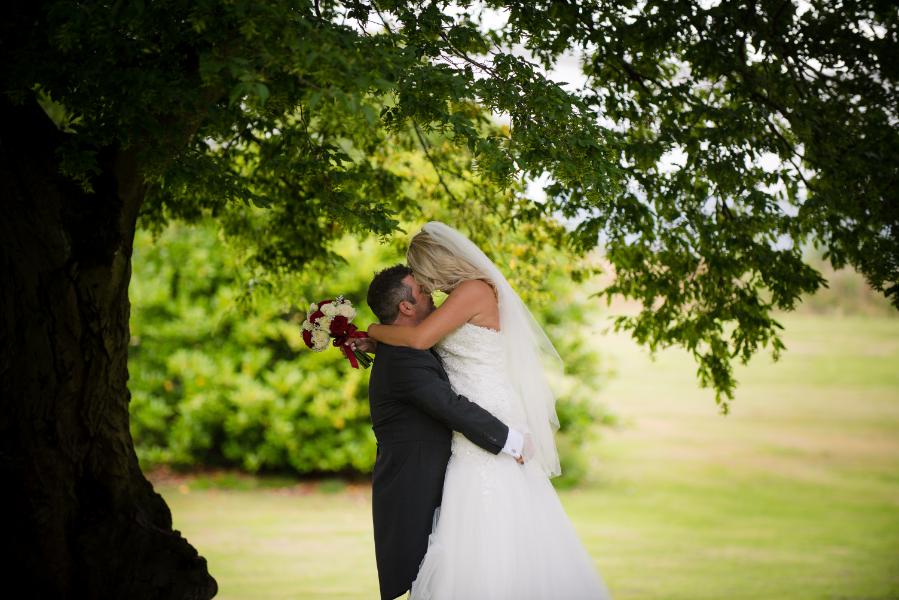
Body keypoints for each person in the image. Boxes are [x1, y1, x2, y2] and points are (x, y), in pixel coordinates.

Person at [361, 221, 612, 599]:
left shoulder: (473, 291)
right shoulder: (455, 300)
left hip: (488, 417)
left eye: (424, 274)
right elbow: (421, 354)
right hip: (470, 430)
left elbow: (418, 339)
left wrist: (371, 331)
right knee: (472, 530)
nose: (426, 285)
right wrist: (376, 343)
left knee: (498, 524)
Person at [364, 264, 533, 600]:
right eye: (423, 290)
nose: (432, 292)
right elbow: (450, 405)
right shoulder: (403, 358)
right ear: (406, 307)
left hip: (436, 478)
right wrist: (512, 441)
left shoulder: (410, 346)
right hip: (414, 485)